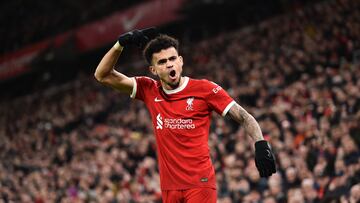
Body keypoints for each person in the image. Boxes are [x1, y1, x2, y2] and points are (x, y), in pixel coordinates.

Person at [94, 28, 276, 202]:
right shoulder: (148, 89)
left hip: (200, 183)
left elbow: (244, 116)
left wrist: (260, 143)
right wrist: (120, 44)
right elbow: (102, 75)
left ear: (181, 61)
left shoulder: (204, 89)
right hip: (169, 187)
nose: (169, 64)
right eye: (162, 62)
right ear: (153, 70)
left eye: (173, 59)